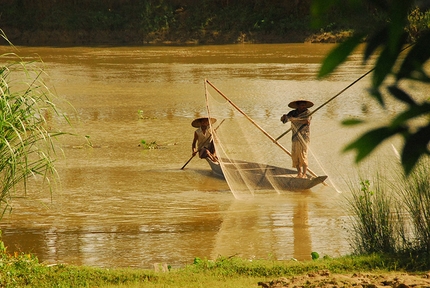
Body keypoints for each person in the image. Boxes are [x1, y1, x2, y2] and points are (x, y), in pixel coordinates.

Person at [280, 100, 313, 178]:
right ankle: (299, 173)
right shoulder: (293, 113)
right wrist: (283, 117)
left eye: (304, 105)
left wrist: (294, 119)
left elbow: (306, 121)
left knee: (303, 155)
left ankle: (304, 174)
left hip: (304, 137)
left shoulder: (308, 113)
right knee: (295, 156)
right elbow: (284, 120)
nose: (303, 107)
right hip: (295, 137)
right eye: (301, 105)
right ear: (298, 106)